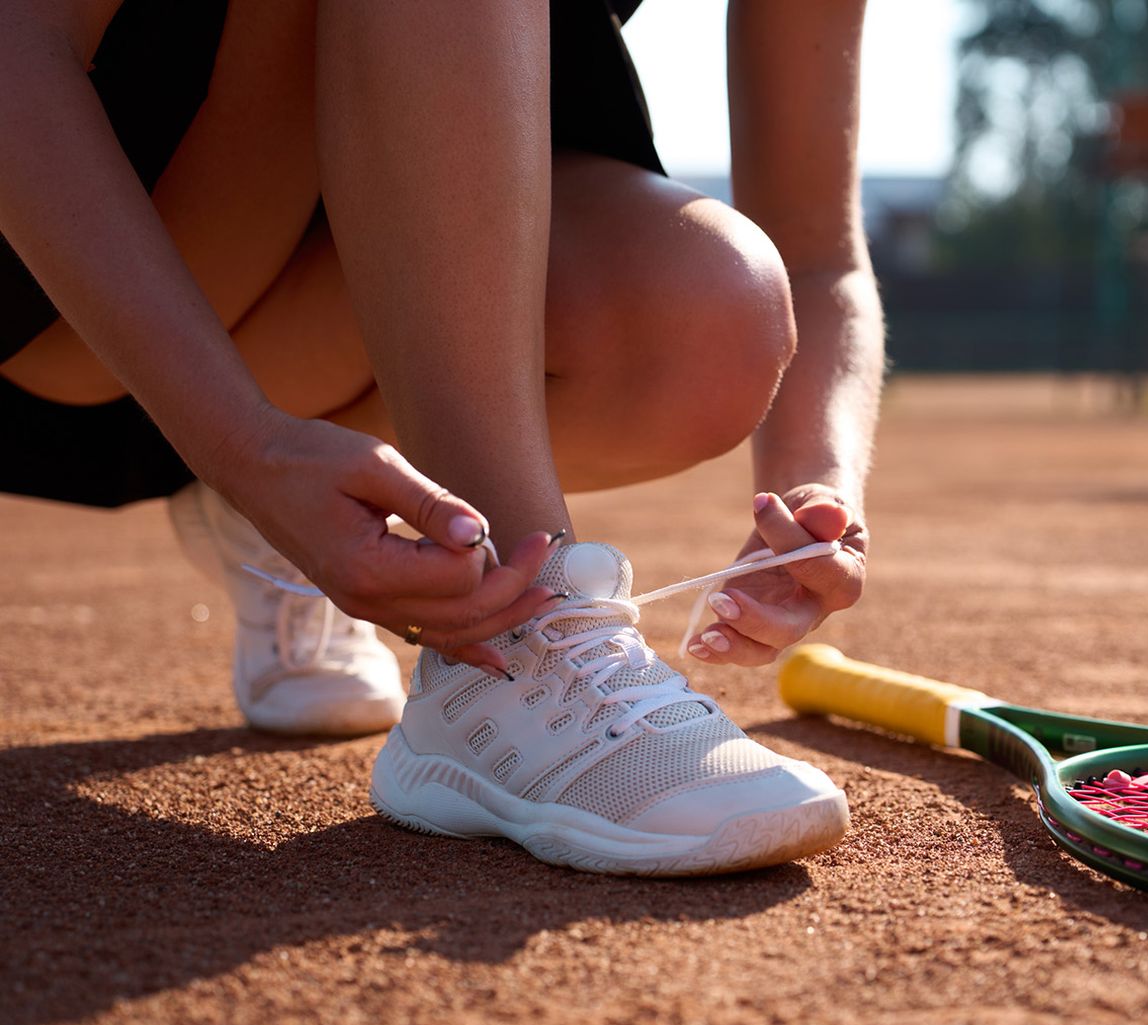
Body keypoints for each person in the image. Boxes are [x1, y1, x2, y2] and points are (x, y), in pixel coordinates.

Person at [0, 0, 882, 875]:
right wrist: (242, 447)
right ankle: (505, 639)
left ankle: (340, 501)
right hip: (63, 281)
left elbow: (816, 254)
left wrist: (817, 498)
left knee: (710, 318)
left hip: (311, 302)